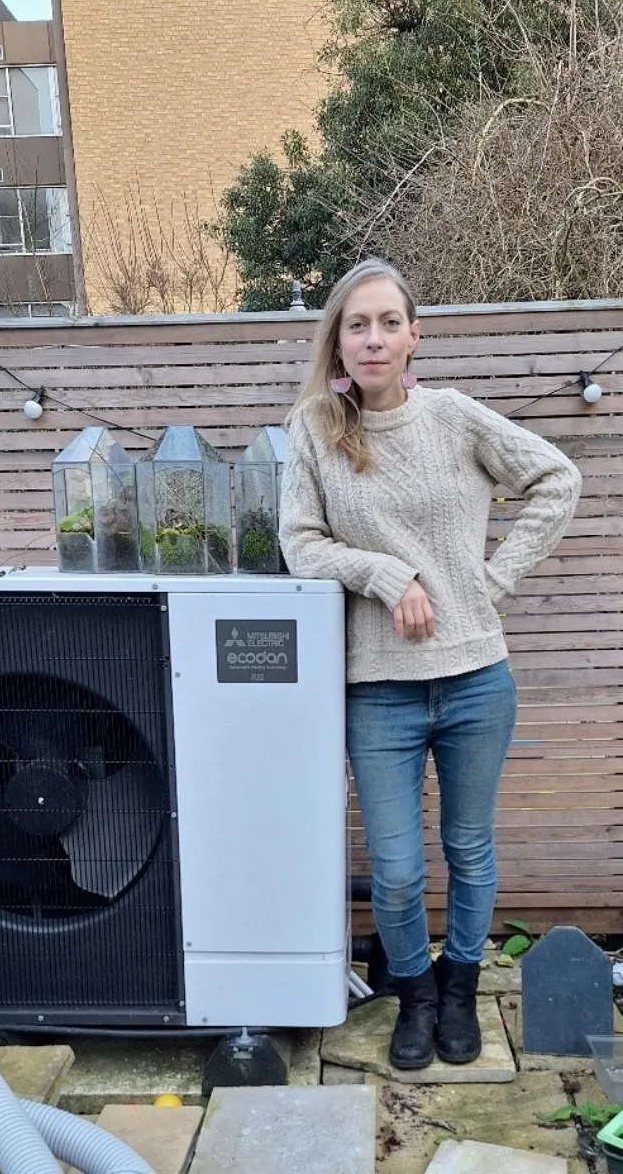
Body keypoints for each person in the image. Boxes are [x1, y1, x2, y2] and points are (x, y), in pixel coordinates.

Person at [278, 259, 582, 1070]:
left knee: (471, 849)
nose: (373, 338)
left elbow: (557, 478)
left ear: (415, 336)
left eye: (388, 322)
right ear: (337, 340)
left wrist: (492, 579)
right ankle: (412, 993)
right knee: (399, 870)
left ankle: (459, 991)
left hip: (477, 677)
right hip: (378, 689)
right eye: (356, 324)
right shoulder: (315, 428)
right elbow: (299, 543)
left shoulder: (453, 417)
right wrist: (386, 575)